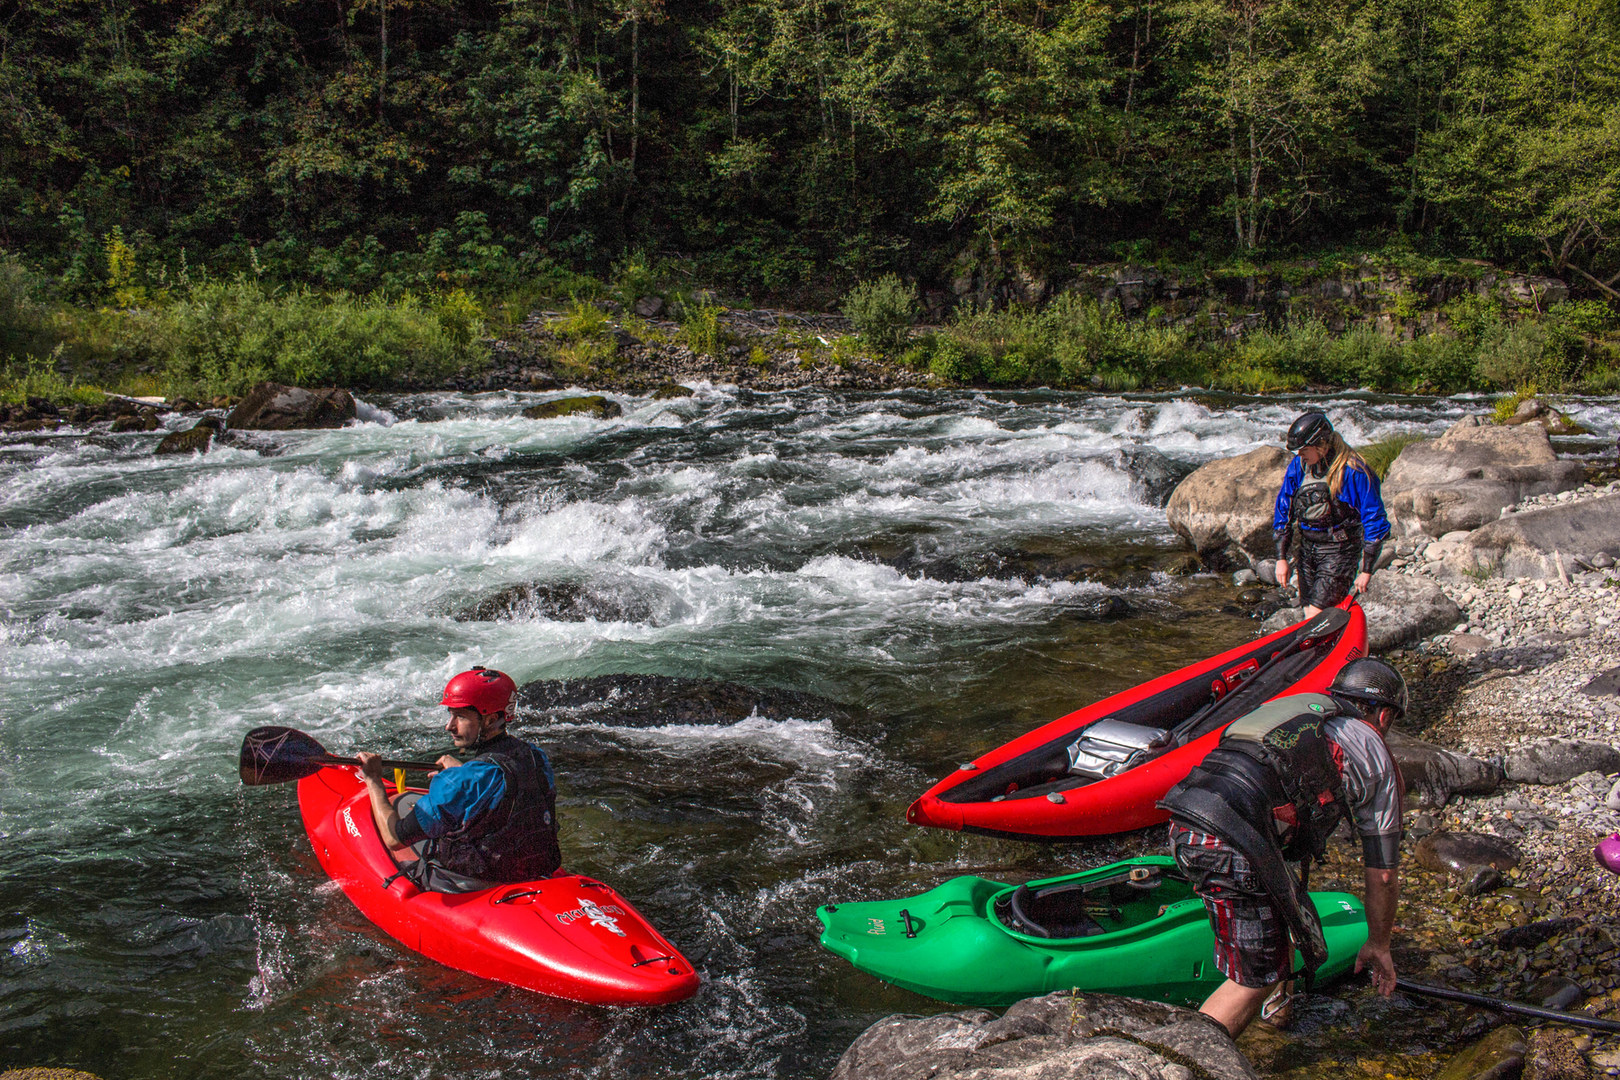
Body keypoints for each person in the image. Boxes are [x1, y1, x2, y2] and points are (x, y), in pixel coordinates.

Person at [1157, 657, 1406, 1038]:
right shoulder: (1376, 752)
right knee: (1252, 981)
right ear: (1385, 716)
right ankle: (1183, 1060)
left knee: (1275, 923)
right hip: (1232, 840)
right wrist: (1378, 943)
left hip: (1183, 817)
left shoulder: (1298, 709)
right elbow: (1384, 873)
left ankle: (1276, 1023)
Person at [357, 666, 562, 892]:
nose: (449, 726)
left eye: (461, 716)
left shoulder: (463, 781)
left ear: (491, 719)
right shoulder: (536, 756)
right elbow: (507, 794)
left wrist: (374, 779)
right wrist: (464, 771)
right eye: (451, 715)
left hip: (473, 884)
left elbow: (394, 838)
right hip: (532, 871)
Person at [1273, 411, 1391, 617]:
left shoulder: (1354, 471)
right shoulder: (1299, 466)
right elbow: (1285, 506)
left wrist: (1366, 569)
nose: (1300, 455)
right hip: (1308, 548)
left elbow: (1374, 518)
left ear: (1321, 445)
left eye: (1304, 450)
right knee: (1308, 609)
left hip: (1340, 551)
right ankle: (1322, 645)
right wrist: (1281, 557)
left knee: (1316, 615)